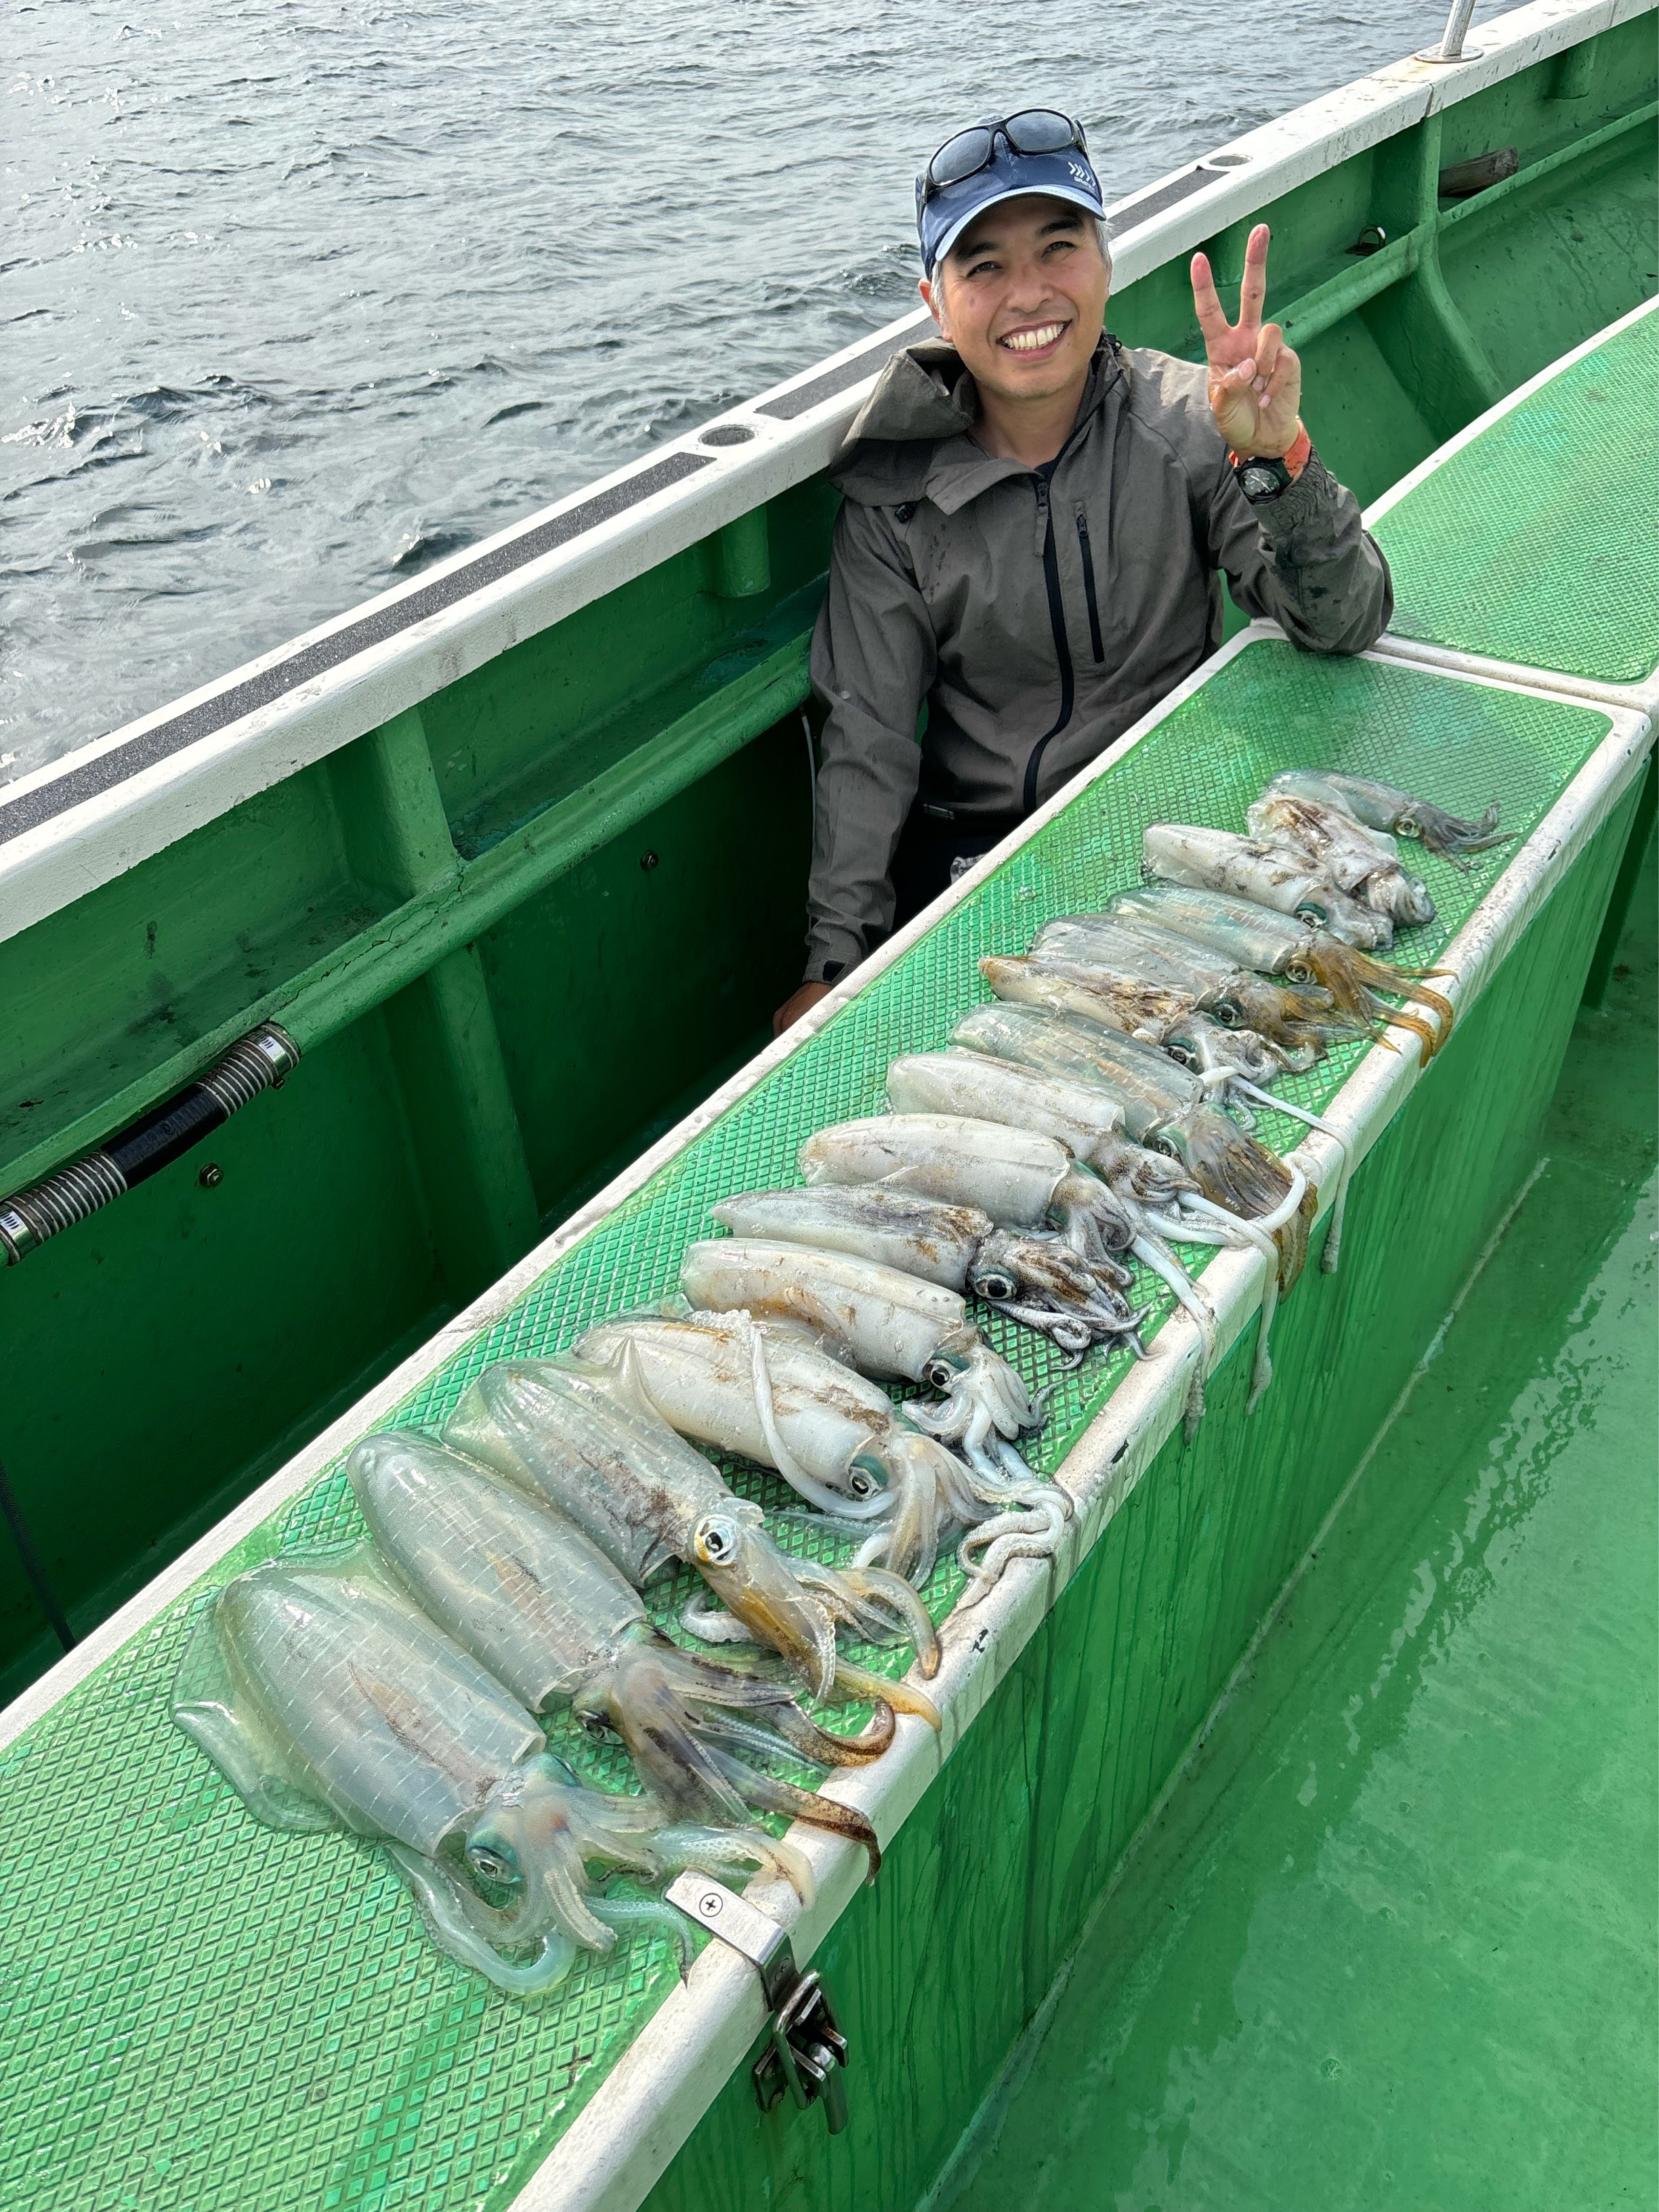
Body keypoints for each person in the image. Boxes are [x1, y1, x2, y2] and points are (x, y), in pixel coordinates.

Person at [773, 108, 1392, 1035]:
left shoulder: (1189, 422)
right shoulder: (892, 497)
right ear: (933, 302)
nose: (1027, 294)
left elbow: (1343, 621)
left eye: (1057, 248)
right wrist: (835, 959)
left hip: (1182, 829)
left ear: (1105, 266)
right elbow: (868, 743)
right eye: (981, 267)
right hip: (984, 856)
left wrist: (1275, 462)